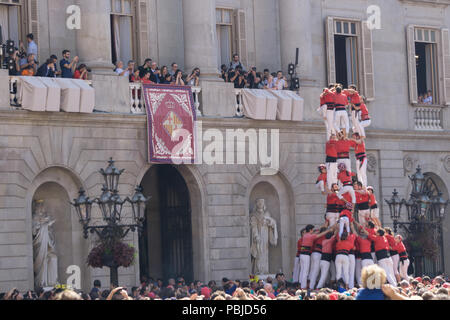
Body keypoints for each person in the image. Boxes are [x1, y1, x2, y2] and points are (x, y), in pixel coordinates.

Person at [298, 224, 333, 289]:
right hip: (313, 254)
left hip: (307, 254)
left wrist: (323, 227)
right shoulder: (314, 236)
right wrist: (328, 230)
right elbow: (320, 234)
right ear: (310, 230)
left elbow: (316, 232)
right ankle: (306, 287)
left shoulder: (306, 235)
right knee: (312, 272)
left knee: (305, 271)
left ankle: (302, 285)